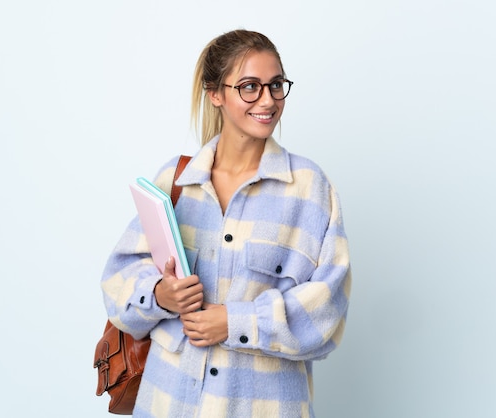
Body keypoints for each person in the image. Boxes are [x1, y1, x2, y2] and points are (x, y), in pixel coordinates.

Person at [100, 29, 351, 418]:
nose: (267, 100)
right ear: (215, 93)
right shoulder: (176, 180)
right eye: (250, 87)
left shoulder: (309, 189)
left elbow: (327, 312)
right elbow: (117, 284)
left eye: (276, 85)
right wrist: (162, 295)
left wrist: (234, 322)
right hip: (169, 401)